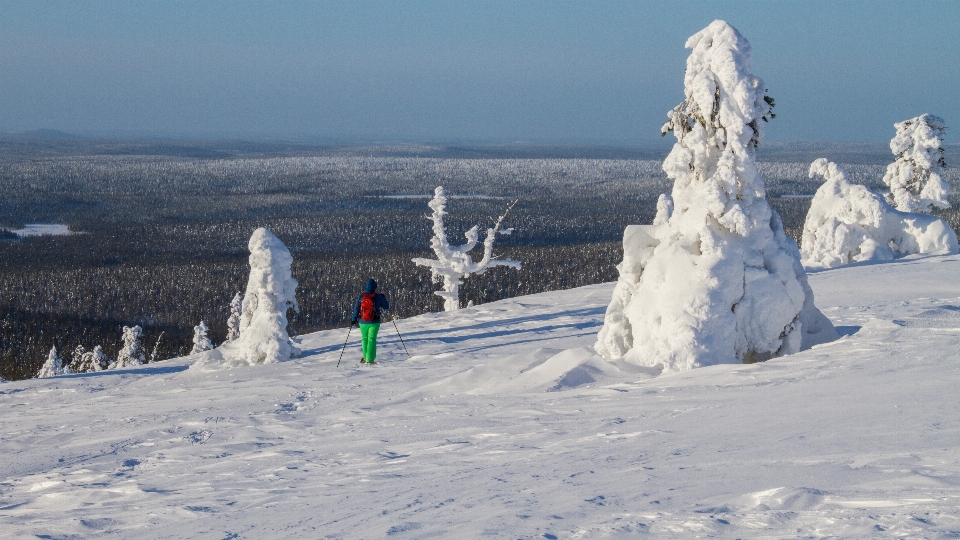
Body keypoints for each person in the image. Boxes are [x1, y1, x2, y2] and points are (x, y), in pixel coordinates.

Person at [351, 278, 390, 364]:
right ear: (375, 287)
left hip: (362, 322)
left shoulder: (361, 297)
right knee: (371, 339)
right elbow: (387, 306)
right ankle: (370, 360)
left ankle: (365, 358)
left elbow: (356, 308)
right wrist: (383, 298)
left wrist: (354, 319)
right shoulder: (378, 297)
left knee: (364, 339)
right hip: (374, 322)